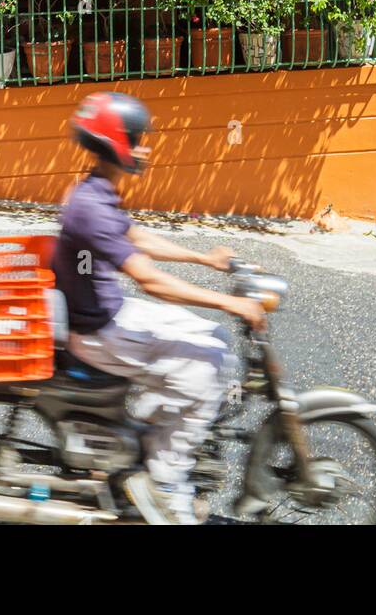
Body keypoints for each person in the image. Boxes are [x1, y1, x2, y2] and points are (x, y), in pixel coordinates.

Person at [53, 91, 266, 525]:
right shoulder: (91, 206)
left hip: (105, 313)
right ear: (116, 144)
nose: (146, 148)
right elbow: (150, 280)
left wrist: (204, 259)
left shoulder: (96, 190)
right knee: (206, 363)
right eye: (138, 139)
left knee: (215, 339)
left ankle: (146, 432)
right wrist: (230, 302)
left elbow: (137, 239)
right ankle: (165, 483)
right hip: (100, 331)